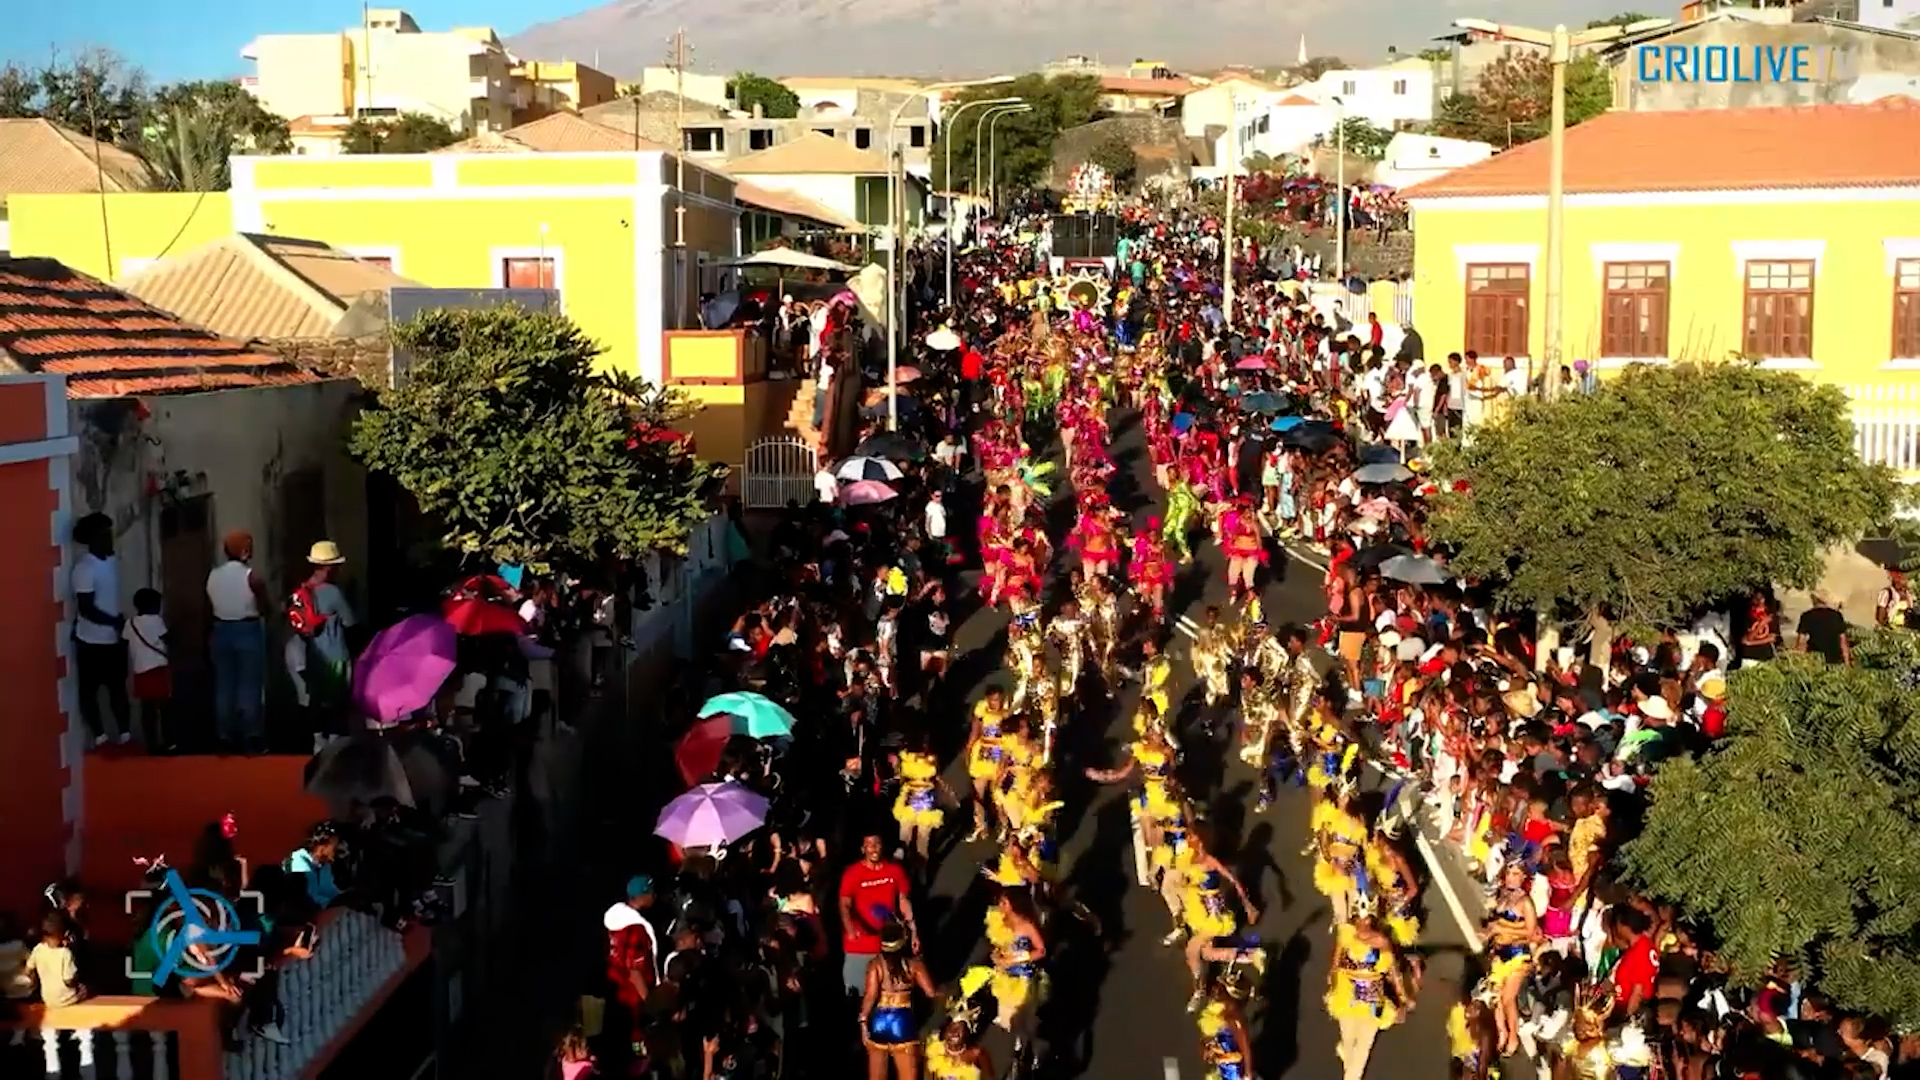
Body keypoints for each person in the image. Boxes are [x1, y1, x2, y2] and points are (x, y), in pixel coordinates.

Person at [206, 529, 271, 752]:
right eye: (249, 545)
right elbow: (264, 606)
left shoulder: (213, 575)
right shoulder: (251, 576)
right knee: (249, 685)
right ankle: (251, 735)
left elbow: (208, 606)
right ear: (243, 550)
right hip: (247, 628)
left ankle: (224, 736)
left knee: (224, 685)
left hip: (220, 628)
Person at [70, 512, 130, 747]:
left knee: (118, 690)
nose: (110, 538)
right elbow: (86, 608)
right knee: (89, 692)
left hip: (113, 640)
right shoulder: (84, 568)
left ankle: (125, 735)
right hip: (90, 642)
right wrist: (113, 621)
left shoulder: (111, 562)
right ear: (94, 538)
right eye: (105, 533)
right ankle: (100, 737)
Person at [292, 541, 357, 748]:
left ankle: (318, 745)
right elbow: (350, 622)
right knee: (338, 706)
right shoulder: (333, 593)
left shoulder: (303, 591)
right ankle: (336, 750)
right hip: (336, 655)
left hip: (313, 656)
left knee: (317, 704)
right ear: (329, 568)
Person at [839, 832, 917, 996]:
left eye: (877, 843)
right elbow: (845, 904)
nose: (873, 848)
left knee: (889, 993)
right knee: (858, 993)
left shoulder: (895, 871)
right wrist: (851, 930)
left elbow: (904, 900)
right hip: (859, 946)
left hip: (889, 945)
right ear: (863, 849)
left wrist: (914, 931)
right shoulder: (852, 874)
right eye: (869, 844)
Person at [859, 922, 938, 1080]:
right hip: (903, 1021)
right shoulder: (914, 965)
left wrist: (863, 1022)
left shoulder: (875, 965)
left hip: (879, 1021)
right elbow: (930, 992)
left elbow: (870, 995)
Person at [603, 875, 659, 1067]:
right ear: (641, 897)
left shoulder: (615, 921)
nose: (655, 896)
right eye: (651, 893)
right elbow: (635, 971)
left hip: (616, 993)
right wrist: (650, 1003)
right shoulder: (636, 930)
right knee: (638, 1049)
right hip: (633, 1000)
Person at [124, 587, 174, 752]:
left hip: (140, 670)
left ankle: (150, 743)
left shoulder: (130, 623)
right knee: (165, 707)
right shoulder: (156, 621)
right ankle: (169, 742)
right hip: (158, 668)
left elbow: (125, 640)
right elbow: (167, 638)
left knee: (147, 709)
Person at [28, 912, 85, 1008]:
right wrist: (77, 983)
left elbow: (28, 970)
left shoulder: (38, 949)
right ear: (64, 934)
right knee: (86, 989)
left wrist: (34, 983)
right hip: (66, 1000)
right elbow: (69, 980)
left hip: (47, 999)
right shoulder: (65, 953)